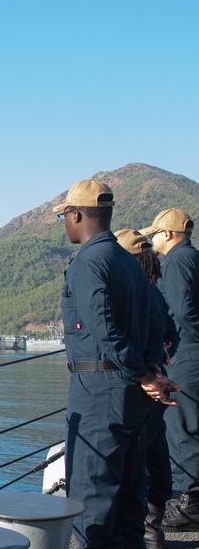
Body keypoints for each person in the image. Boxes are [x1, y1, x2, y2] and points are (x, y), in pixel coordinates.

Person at [55, 179, 176, 548]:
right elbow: (156, 323)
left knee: (92, 508)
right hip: (133, 401)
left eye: (65, 216)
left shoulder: (89, 263)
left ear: (76, 215)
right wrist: (151, 371)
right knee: (129, 505)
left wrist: (142, 373)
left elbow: (104, 329)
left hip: (98, 399)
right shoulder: (128, 262)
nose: (65, 223)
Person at [115, 228, 181, 548]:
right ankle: (154, 529)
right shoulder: (155, 292)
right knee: (156, 452)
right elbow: (172, 333)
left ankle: (140, 531)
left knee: (133, 460)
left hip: (135, 384)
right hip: (158, 380)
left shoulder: (131, 292)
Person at [140, 208, 199, 531]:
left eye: (156, 234)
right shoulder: (194, 257)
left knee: (182, 423)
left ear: (169, 235)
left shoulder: (176, 261)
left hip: (187, 351)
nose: (153, 240)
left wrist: (174, 345)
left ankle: (190, 502)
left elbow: (182, 310)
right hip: (192, 349)